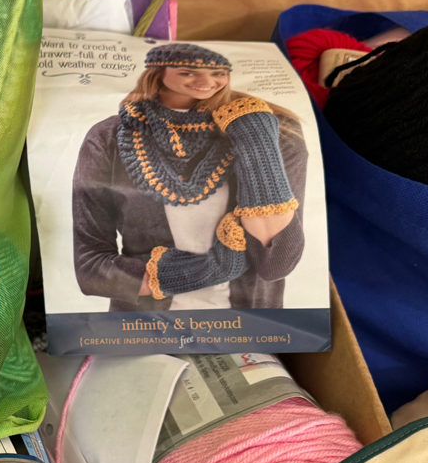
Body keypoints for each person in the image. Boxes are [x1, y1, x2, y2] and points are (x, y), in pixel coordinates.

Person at [71, 43, 305, 311]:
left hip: (249, 325)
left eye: (217, 73)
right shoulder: (108, 137)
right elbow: (90, 268)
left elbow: (276, 264)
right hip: (142, 328)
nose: (205, 82)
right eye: (188, 72)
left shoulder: (272, 130)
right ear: (158, 72)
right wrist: (207, 270)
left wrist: (256, 141)